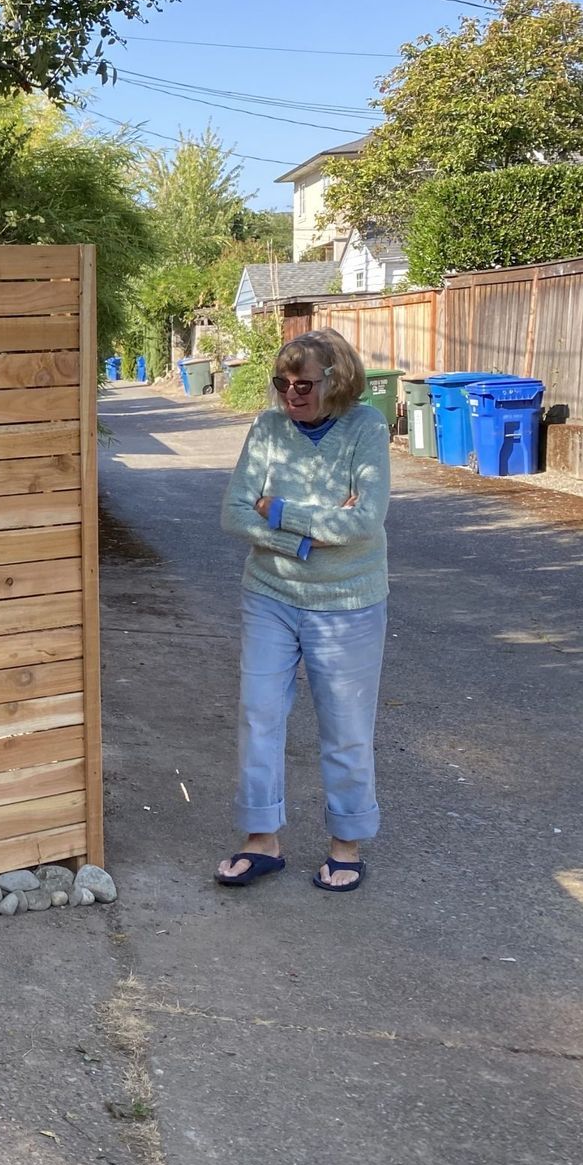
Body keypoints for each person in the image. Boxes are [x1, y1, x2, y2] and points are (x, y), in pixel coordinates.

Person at [215, 328, 391, 892]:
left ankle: (347, 845)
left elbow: (364, 521)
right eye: (283, 383)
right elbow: (233, 514)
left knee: (345, 728)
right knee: (258, 714)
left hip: (347, 603)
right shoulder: (266, 429)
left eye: (304, 383)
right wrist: (303, 537)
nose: (292, 393)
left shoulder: (365, 428)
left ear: (336, 380)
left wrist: (279, 509)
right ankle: (261, 840)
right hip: (269, 594)